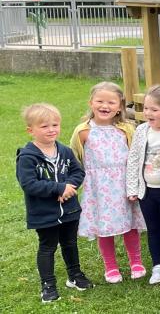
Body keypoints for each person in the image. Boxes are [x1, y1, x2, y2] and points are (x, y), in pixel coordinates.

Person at [70, 82, 144, 285]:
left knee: (130, 225)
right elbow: (74, 159)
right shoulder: (83, 132)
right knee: (105, 227)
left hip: (123, 185)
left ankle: (136, 262)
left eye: (111, 102)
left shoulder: (127, 129)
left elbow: (136, 157)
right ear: (91, 103)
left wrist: (136, 184)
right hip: (98, 188)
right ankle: (110, 266)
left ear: (119, 106)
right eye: (100, 101)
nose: (105, 106)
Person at [17, 103, 91, 303]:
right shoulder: (27, 157)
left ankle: (74, 276)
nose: (51, 130)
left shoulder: (65, 151)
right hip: (44, 212)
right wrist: (58, 189)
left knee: (70, 243)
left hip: (70, 209)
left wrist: (68, 187)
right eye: (44, 126)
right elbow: (29, 184)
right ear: (30, 130)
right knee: (47, 247)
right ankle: (48, 285)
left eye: (55, 125)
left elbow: (78, 172)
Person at [124, 85, 160, 285]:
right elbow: (133, 159)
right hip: (147, 190)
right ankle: (158, 265)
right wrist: (132, 188)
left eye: (154, 109)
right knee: (154, 229)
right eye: (146, 108)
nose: (148, 113)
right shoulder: (142, 130)